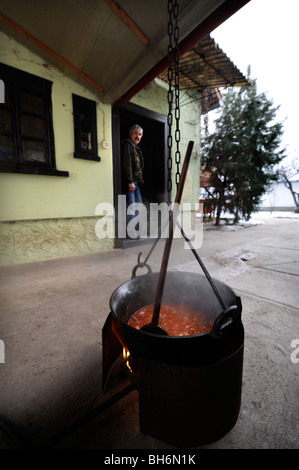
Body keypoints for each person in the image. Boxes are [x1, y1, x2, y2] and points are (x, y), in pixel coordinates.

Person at [121, 124, 144, 238]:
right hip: (130, 182)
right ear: (131, 134)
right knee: (132, 207)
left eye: (140, 134)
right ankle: (132, 233)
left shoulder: (136, 148)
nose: (137, 136)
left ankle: (136, 230)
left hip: (135, 182)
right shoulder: (127, 145)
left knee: (138, 206)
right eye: (135, 133)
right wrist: (130, 181)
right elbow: (127, 164)